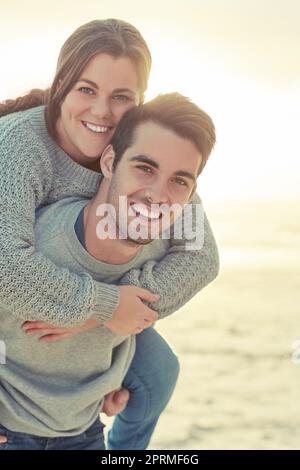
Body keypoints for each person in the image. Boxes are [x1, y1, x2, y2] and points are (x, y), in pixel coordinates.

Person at [0, 19, 219, 450]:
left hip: (85, 304)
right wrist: (102, 306)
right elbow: (5, 262)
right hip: (14, 318)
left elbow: (200, 256)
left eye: (121, 97)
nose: (102, 112)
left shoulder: (147, 158)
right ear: (62, 83)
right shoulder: (20, 148)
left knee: (158, 373)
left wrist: (117, 314)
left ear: (139, 102)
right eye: (87, 89)